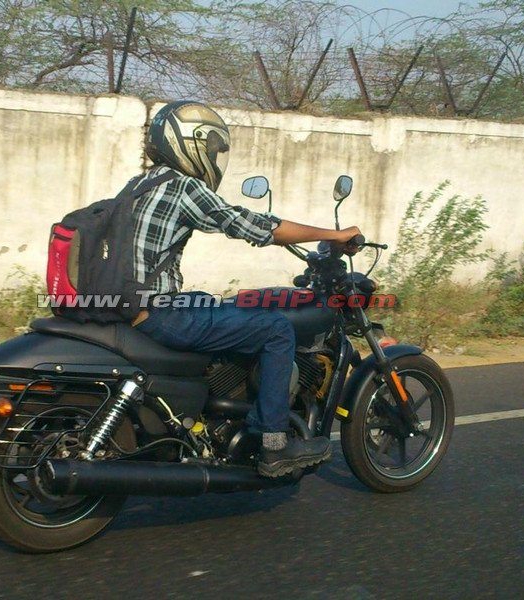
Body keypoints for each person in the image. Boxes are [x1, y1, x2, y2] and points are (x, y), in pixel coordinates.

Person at [131, 100, 362, 478]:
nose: (213, 158)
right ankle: (274, 444)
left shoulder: (139, 184)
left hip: (137, 305)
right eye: (210, 149)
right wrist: (334, 235)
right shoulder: (181, 186)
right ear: (189, 143)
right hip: (162, 314)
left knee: (219, 303)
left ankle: (224, 404)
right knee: (276, 329)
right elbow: (254, 225)